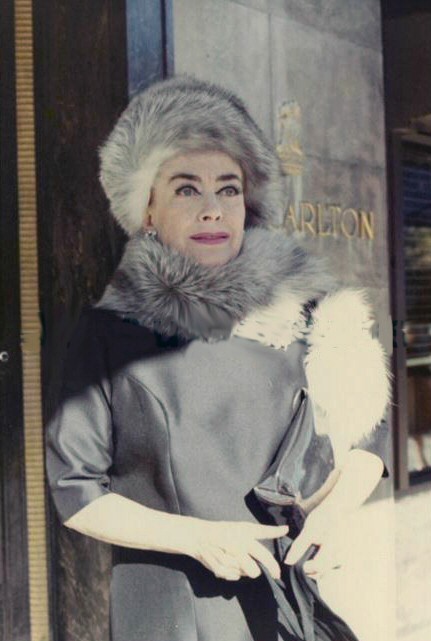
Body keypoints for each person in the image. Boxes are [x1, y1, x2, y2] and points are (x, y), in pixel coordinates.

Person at [45, 74, 392, 641]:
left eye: (228, 189)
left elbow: (369, 439)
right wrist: (198, 538)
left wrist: (332, 518)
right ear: (147, 209)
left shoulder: (303, 314)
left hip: (287, 608)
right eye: (187, 189)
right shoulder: (107, 334)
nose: (212, 210)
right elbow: (76, 494)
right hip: (175, 611)